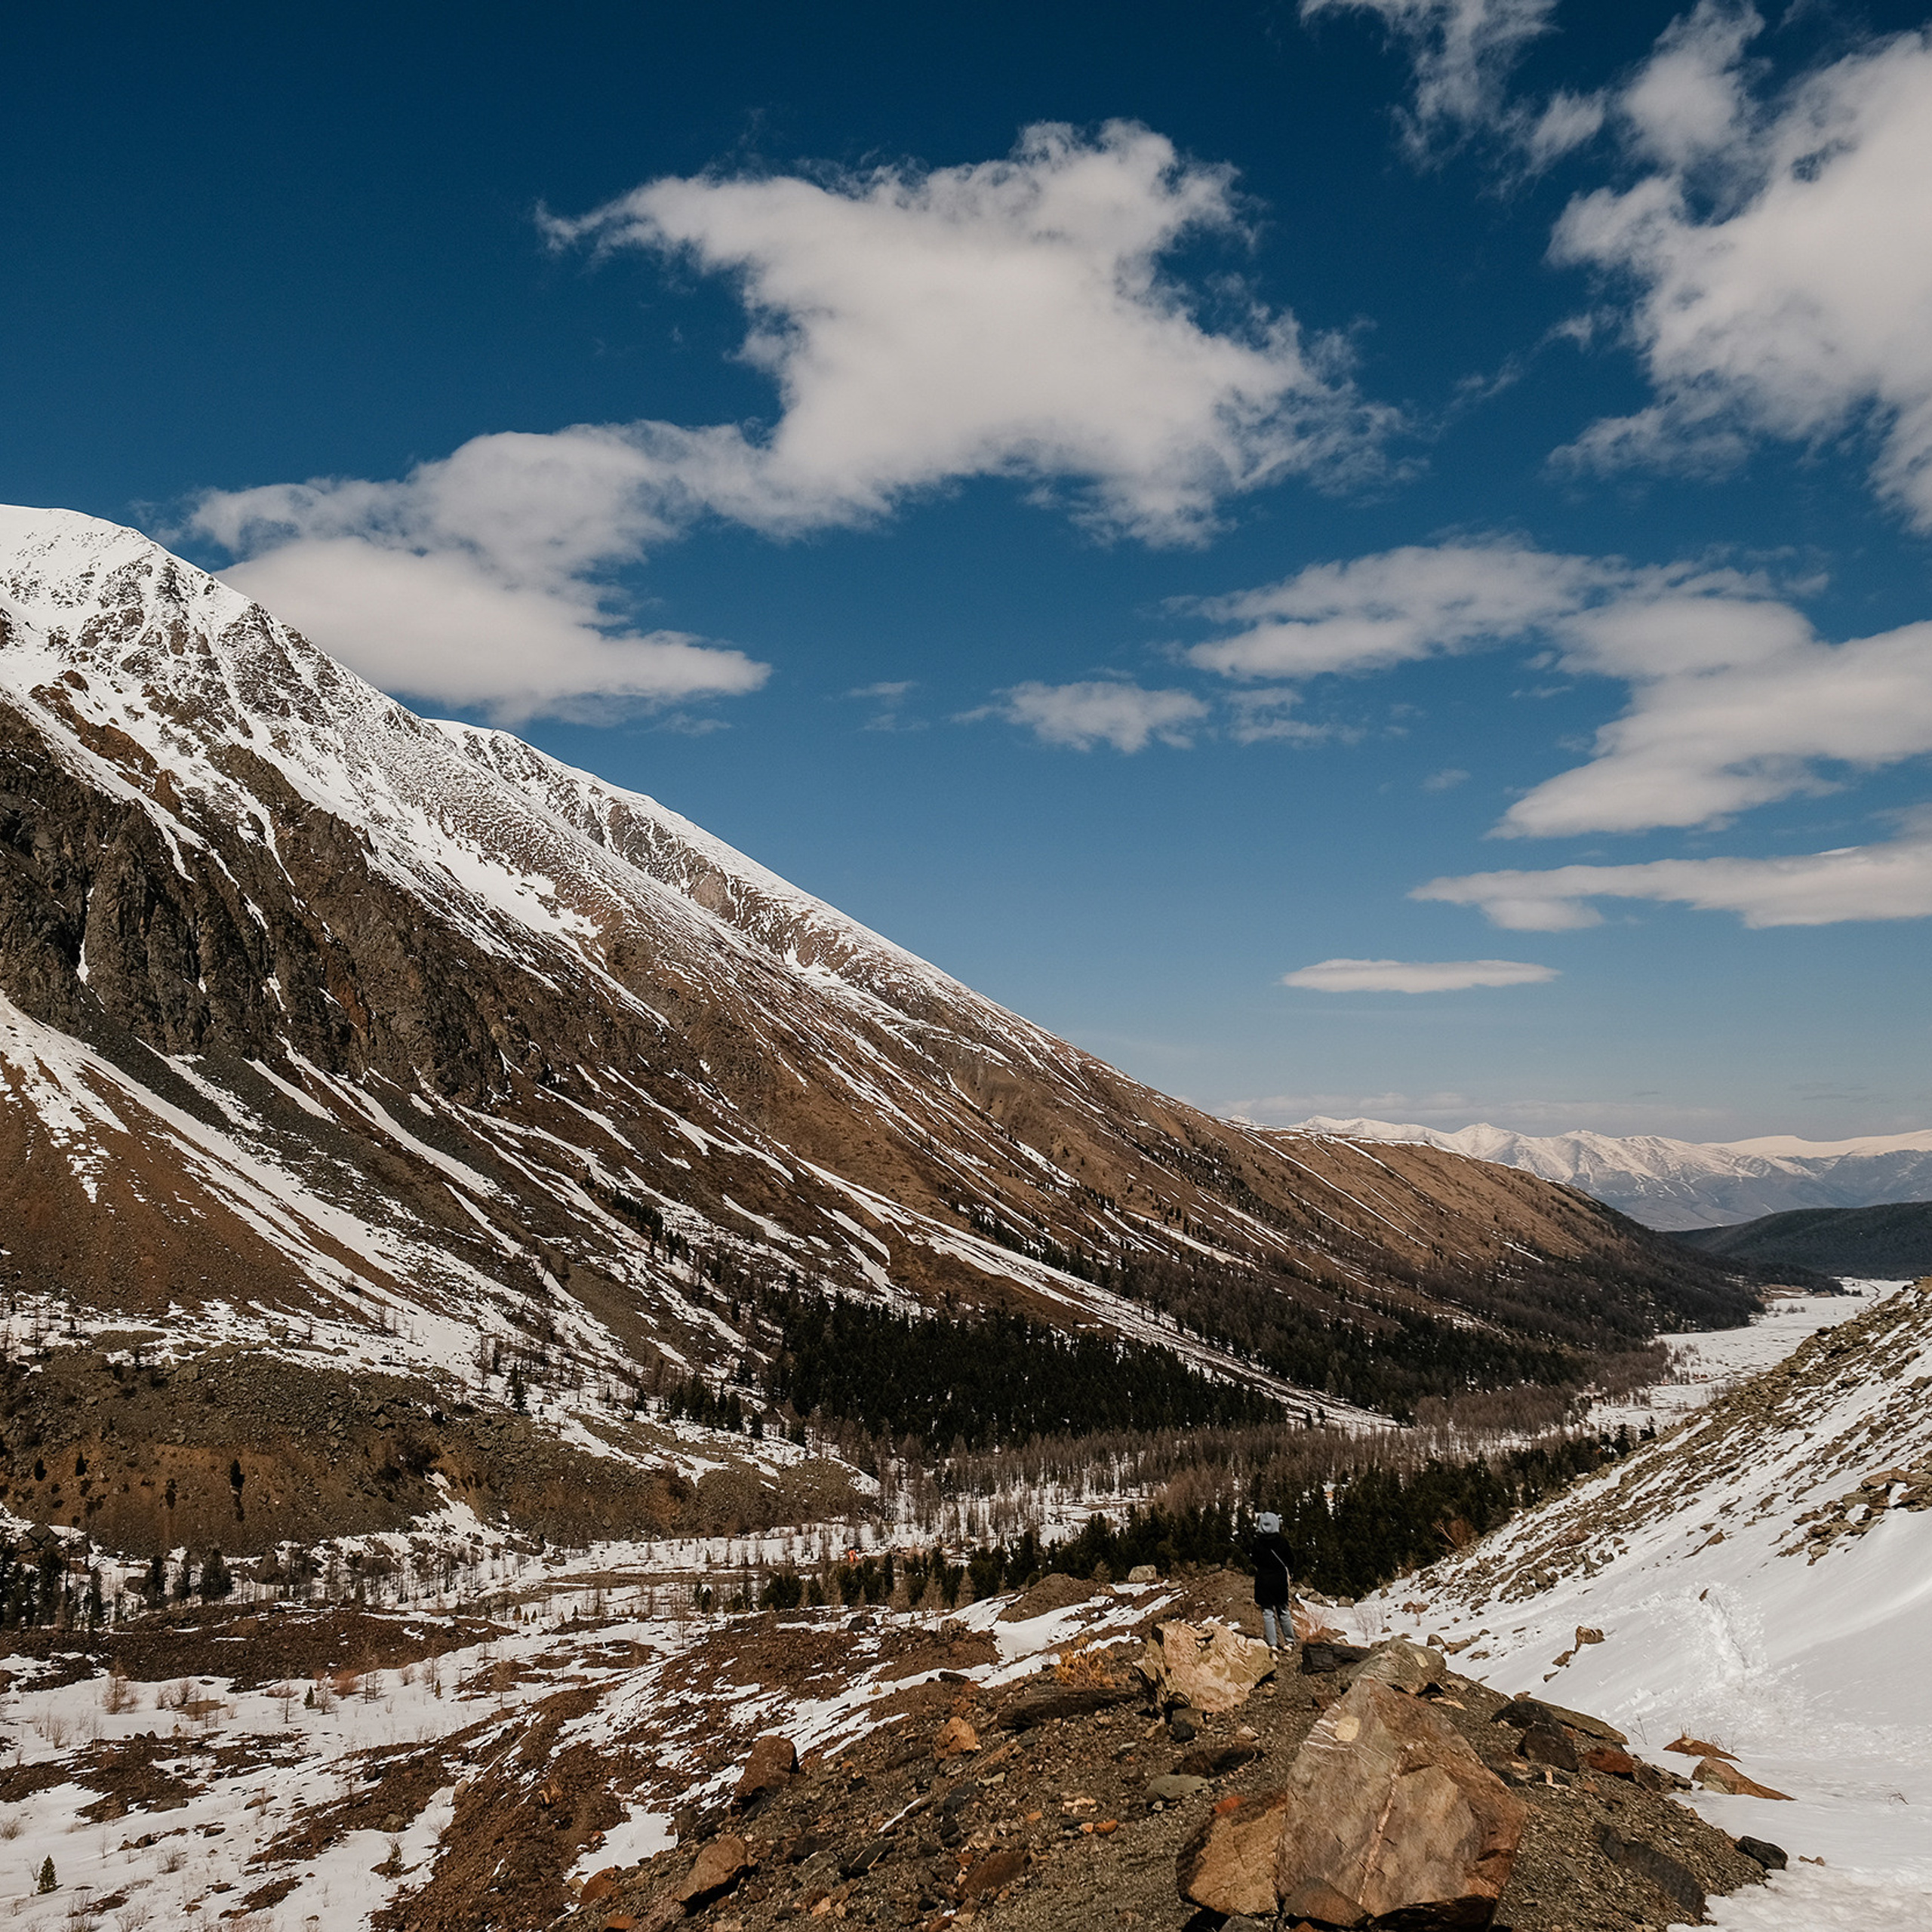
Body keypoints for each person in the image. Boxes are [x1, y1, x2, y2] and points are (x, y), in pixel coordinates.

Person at [1252, 1510, 1292, 1650]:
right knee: (1283, 1610)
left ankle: (1273, 1643)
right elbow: (1290, 1560)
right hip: (1279, 1579)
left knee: (1268, 1612)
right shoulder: (1282, 1542)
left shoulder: (1257, 1543)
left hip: (1263, 1579)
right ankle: (1290, 1640)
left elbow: (1254, 1561)